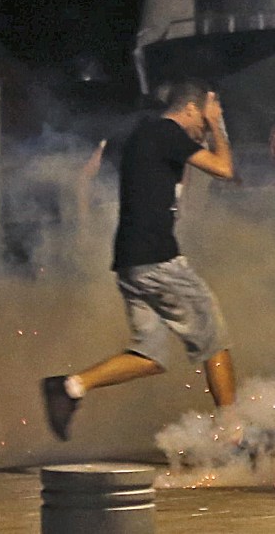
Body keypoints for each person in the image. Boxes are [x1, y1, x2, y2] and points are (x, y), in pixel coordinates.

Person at [42, 79, 237, 442]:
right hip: (157, 258)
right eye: (202, 118)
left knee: (149, 354)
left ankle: (69, 387)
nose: (202, 128)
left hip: (130, 262)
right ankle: (235, 435)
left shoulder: (143, 136)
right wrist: (218, 125)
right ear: (191, 109)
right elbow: (224, 169)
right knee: (214, 335)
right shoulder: (168, 132)